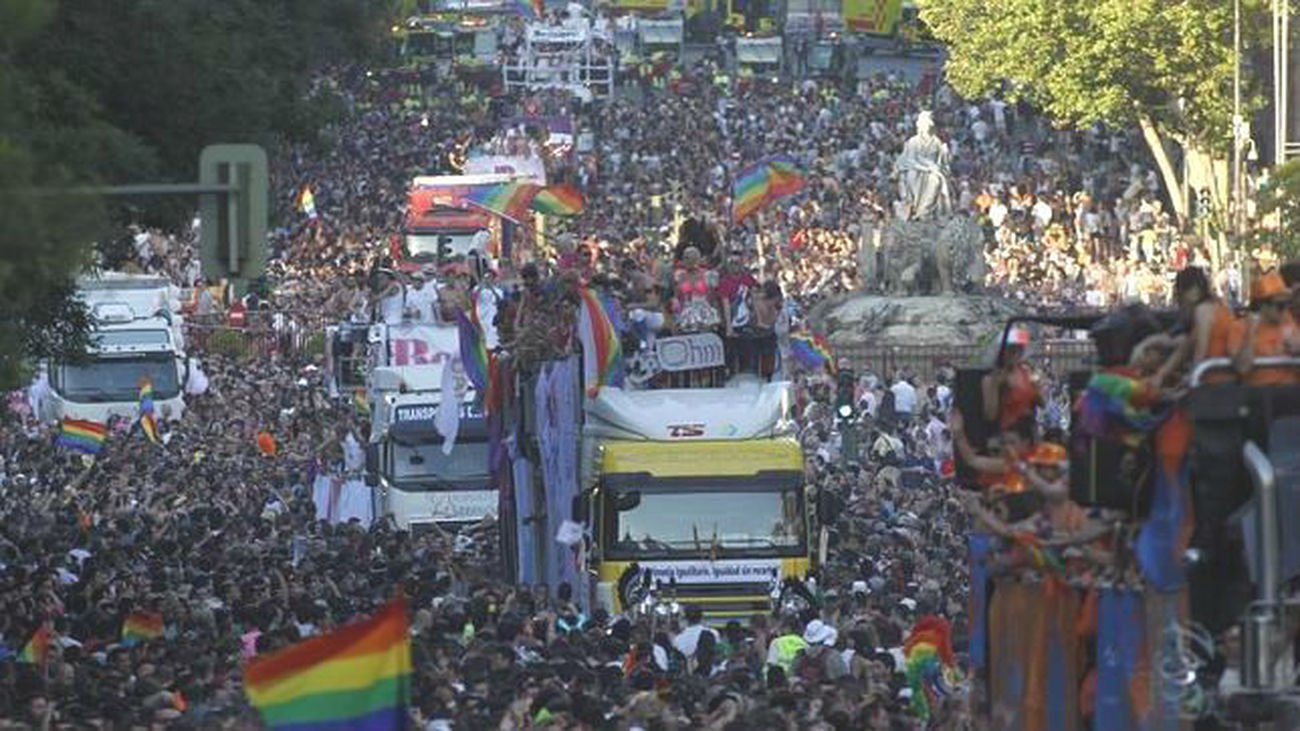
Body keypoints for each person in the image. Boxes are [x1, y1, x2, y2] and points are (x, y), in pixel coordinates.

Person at [1230, 271, 1299, 385]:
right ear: (1261, 306)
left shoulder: (1288, 320)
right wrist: (1251, 331)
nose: (1285, 310)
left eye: (1287, 303)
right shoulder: (1240, 327)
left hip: (1291, 392)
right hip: (1260, 395)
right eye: (1280, 306)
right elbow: (1242, 368)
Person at [981, 326, 1042, 430]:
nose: (1015, 353)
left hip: (1029, 431)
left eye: (1019, 348)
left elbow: (1041, 403)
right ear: (1001, 352)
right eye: (1011, 349)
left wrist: (1036, 388)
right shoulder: (991, 379)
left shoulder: (1026, 372)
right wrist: (994, 386)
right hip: (1009, 433)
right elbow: (990, 416)